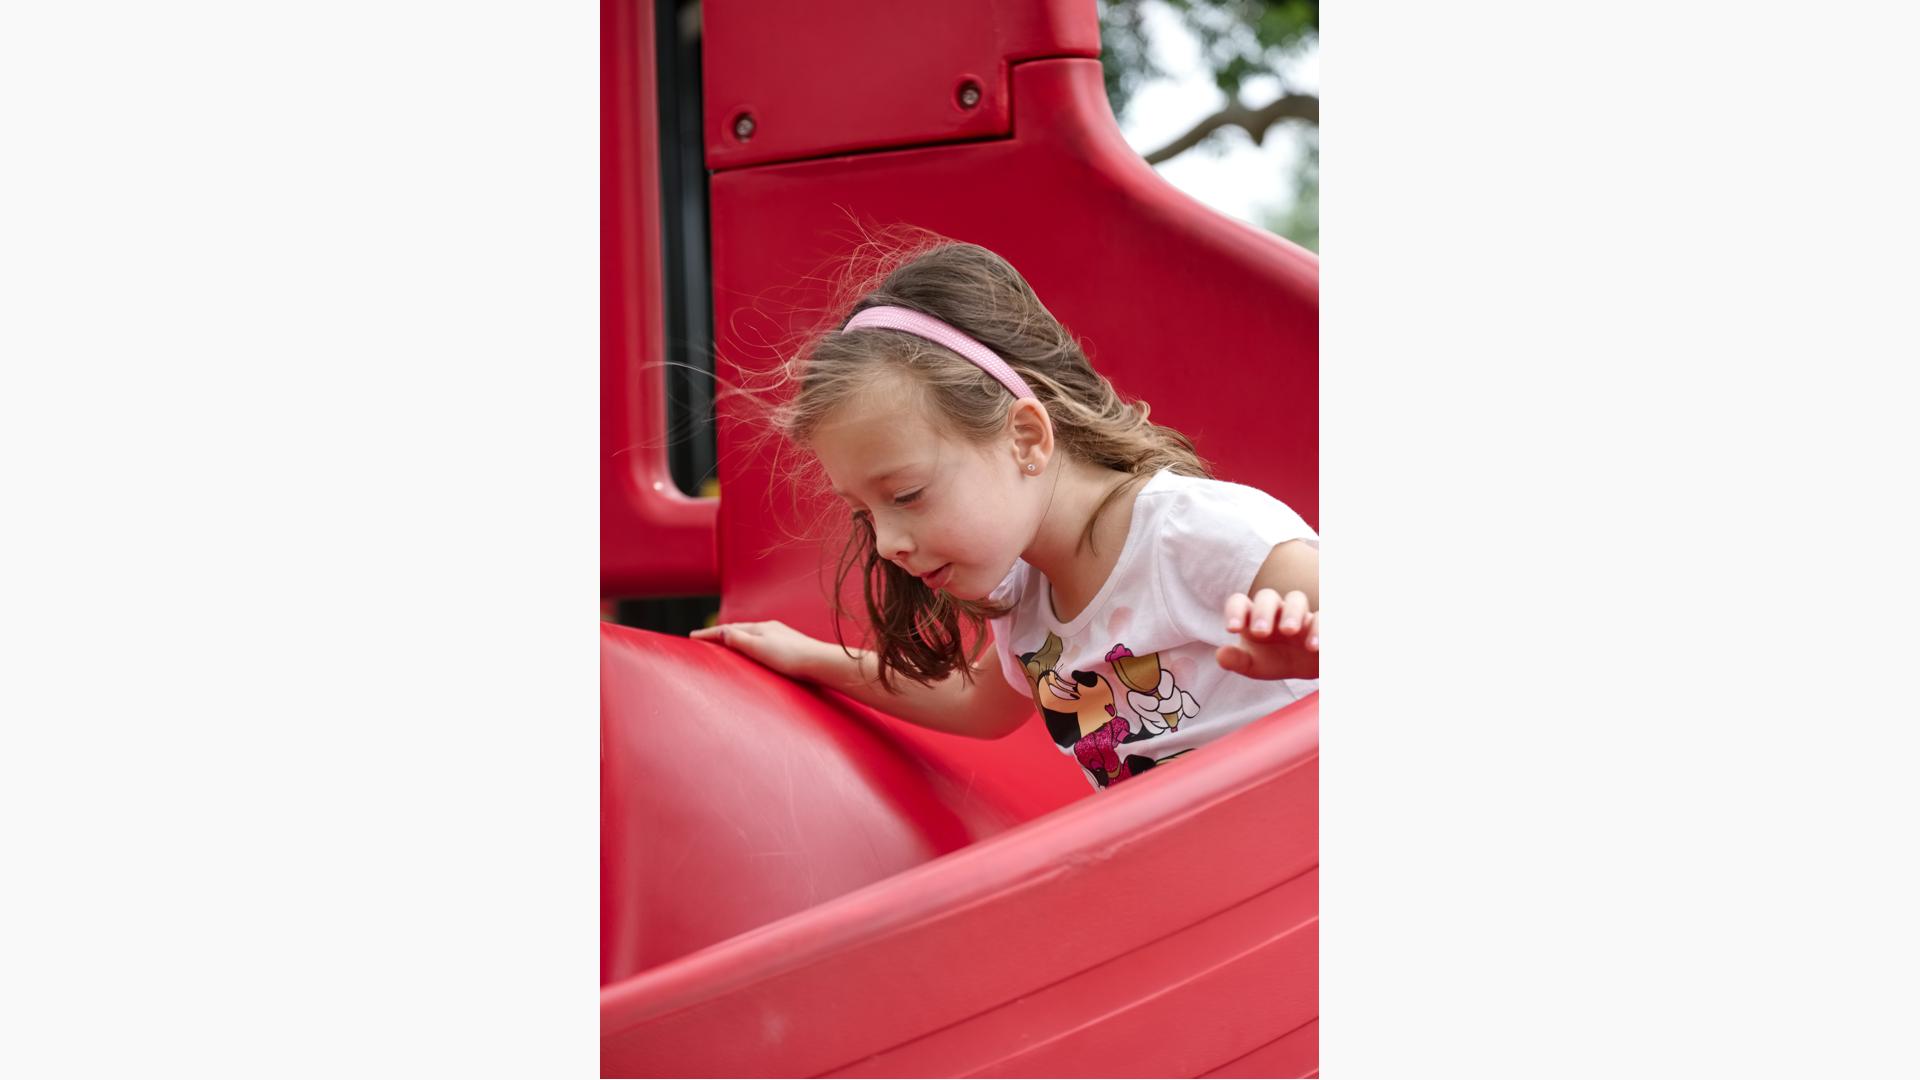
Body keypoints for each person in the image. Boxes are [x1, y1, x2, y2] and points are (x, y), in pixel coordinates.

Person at [692, 237, 1318, 791]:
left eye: (906, 495)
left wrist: (1312, 655)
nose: (886, 545)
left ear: (1025, 438)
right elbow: (974, 702)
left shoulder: (1190, 533)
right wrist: (806, 657)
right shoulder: (1029, 599)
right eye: (865, 515)